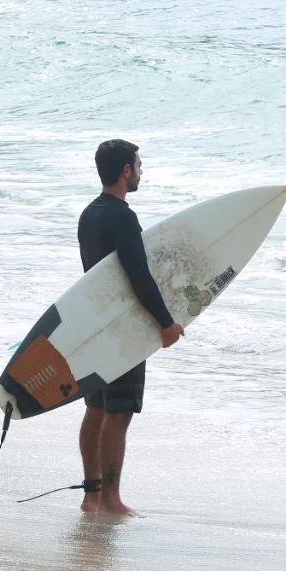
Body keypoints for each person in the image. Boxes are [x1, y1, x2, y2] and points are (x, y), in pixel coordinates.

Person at [77, 139, 184, 516]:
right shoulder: (122, 216)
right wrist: (165, 323)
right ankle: (110, 499)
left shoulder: (89, 214)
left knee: (96, 408)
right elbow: (138, 275)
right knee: (118, 413)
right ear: (126, 170)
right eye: (138, 165)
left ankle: (92, 495)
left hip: (96, 325)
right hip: (123, 328)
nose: (141, 171)